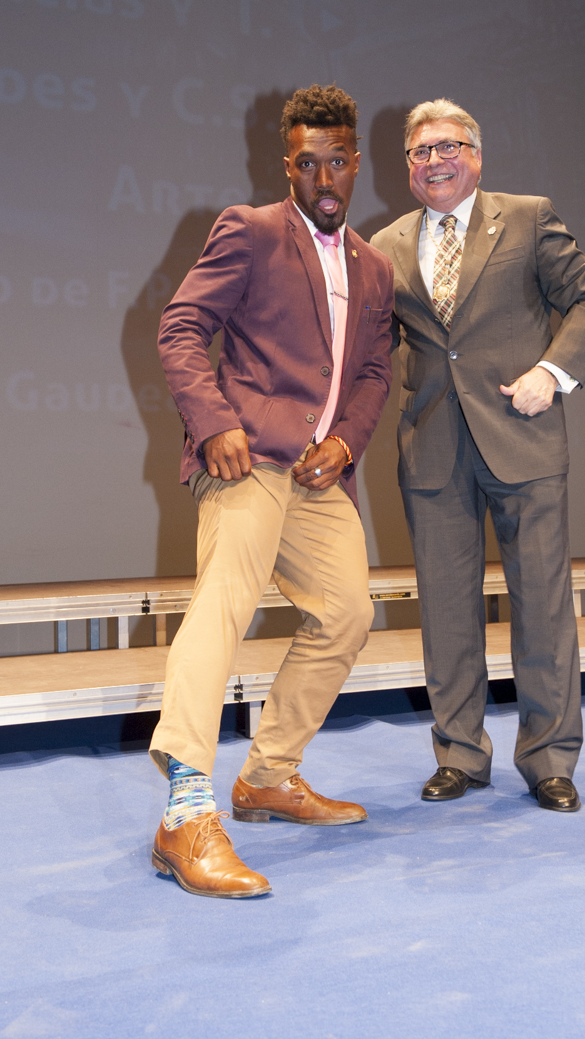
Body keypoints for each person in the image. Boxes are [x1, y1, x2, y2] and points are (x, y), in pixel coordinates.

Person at [149, 84, 394, 897]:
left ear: (354, 164)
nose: (324, 177)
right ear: (287, 165)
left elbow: (372, 372)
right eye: (307, 163)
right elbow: (181, 327)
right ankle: (186, 812)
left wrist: (347, 440)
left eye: (337, 161)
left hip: (320, 476)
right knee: (224, 602)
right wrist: (214, 420)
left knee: (348, 613)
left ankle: (266, 776)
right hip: (247, 459)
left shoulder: (374, 265)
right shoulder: (249, 231)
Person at [370, 99, 585, 812]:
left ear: (475, 155)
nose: (435, 161)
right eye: (421, 151)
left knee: (542, 607)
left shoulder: (528, 217)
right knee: (447, 612)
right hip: (432, 448)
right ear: (408, 166)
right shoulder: (384, 244)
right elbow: (372, 350)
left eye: (449, 146)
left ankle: (550, 760)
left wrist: (552, 373)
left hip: (523, 437)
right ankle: (459, 754)